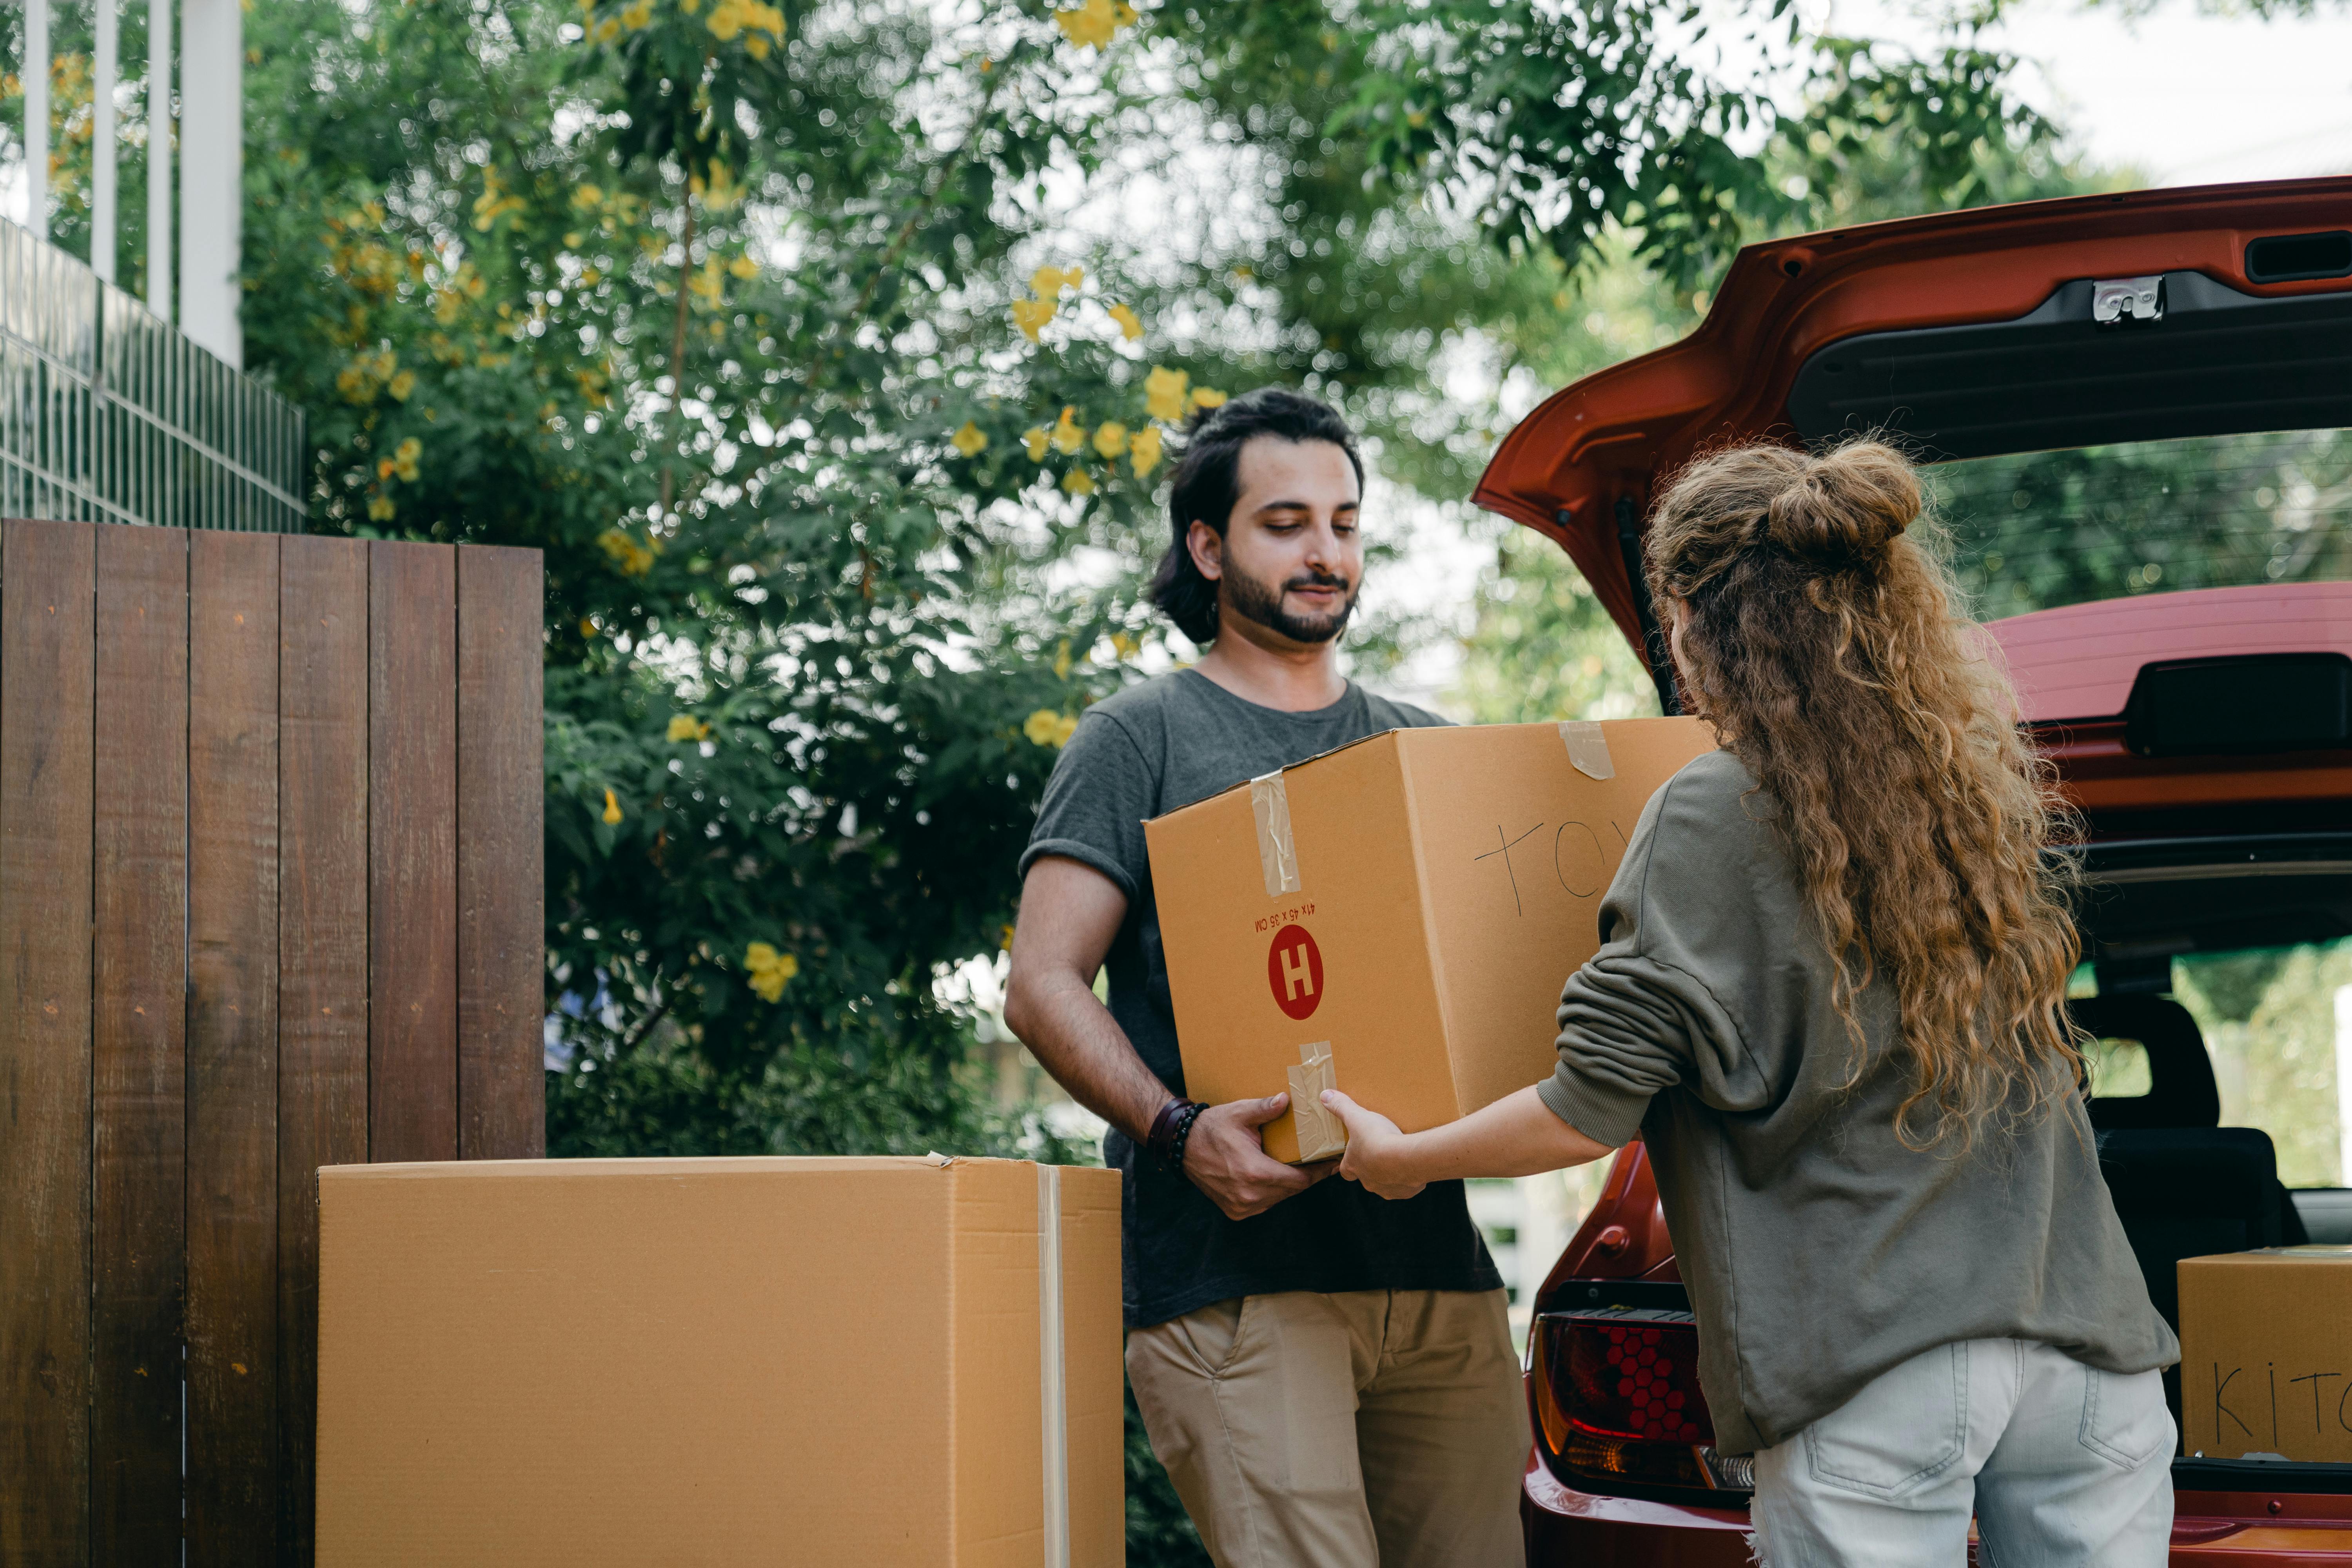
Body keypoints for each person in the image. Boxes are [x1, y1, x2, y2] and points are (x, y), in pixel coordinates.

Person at [1321, 439, 2179, 1566]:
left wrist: (1408, 1157)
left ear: (1693, 623)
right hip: (2090, 1360)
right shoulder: (1971, 790)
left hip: (1875, 1364)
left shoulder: (1709, 811)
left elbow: (1589, 1110)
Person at [1003, 387, 1527, 1568]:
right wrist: (1178, 1130)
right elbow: (1041, 982)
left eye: (1345, 523)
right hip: (1235, 1284)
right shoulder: (1141, 737)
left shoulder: (1425, 748)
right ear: (1208, 545)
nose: (1325, 552)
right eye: (1286, 523)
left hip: (1437, 1275)